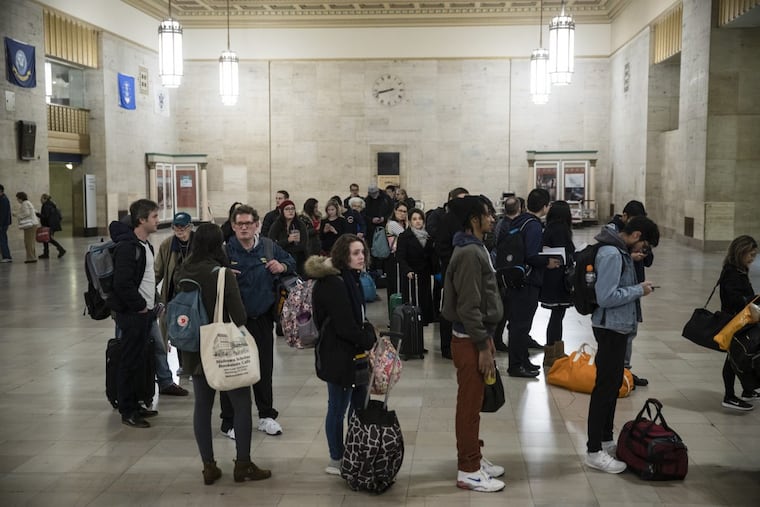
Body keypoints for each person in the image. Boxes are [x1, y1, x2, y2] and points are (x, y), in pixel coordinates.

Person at [175, 223, 272, 484]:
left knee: (202, 407)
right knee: (241, 405)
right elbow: (239, 316)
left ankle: (208, 466)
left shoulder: (183, 270)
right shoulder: (222, 275)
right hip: (221, 349)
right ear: (218, 245)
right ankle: (243, 464)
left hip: (194, 348)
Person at [584, 216, 659, 474]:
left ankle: (605, 440)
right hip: (610, 327)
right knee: (605, 388)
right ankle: (594, 450)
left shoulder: (619, 250)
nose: (643, 252)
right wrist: (639, 290)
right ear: (636, 235)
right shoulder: (612, 254)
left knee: (613, 384)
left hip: (617, 325)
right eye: (645, 246)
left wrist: (632, 262)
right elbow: (606, 297)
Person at [441, 195, 505, 493]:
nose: (492, 218)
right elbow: (468, 307)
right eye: (487, 214)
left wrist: (487, 339)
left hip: (477, 337)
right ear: (473, 220)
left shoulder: (476, 248)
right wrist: (482, 345)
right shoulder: (468, 253)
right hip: (469, 341)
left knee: (474, 403)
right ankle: (469, 469)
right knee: (469, 406)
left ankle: (475, 457)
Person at [305, 234, 377, 475]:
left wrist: (366, 333)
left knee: (357, 407)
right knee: (337, 408)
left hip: (353, 355)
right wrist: (368, 336)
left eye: (362, 252)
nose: (361, 257)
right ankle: (336, 458)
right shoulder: (334, 283)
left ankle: (354, 452)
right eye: (355, 253)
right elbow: (345, 326)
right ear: (343, 256)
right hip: (337, 356)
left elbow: (357, 318)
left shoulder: (351, 278)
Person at [226, 205, 296, 436]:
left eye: (248, 223)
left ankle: (266, 415)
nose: (244, 227)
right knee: (235, 371)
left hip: (263, 318)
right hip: (234, 322)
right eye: (239, 224)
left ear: (256, 225)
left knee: (264, 368)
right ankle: (230, 421)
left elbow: (292, 263)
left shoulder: (268, 246)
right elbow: (204, 271)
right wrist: (221, 272)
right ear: (234, 226)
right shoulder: (226, 250)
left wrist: (282, 265)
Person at [107, 199, 163, 428]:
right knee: (129, 361)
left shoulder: (144, 245)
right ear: (142, 220)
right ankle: (127, 410)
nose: (158, 220)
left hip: (144, 313)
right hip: (133, 315)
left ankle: (136, 403)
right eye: (154, 217)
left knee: (139, 360)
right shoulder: (129, 247)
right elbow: (122, 283)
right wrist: (139, 305)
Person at [506, 188, 560, 378]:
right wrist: (548, 261)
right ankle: (516, 365)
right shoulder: (534, 225)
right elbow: (531, 256)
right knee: (521, 325)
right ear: (545, 207)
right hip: (527, 281)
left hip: (515, 278)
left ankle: (523, 361)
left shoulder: (519, 220)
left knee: (518, 324)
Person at [609, 200, 653, 387]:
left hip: (635, 286)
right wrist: (630, 255)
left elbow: (649, 260)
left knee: (631, 330)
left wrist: (642, 253)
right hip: (621, 289)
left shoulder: (639, 233)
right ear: (624, 216)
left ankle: (625, 372)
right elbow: (607, 294)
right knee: (621, 335)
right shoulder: (612, 234)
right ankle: (619, 374)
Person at [719, 235, 759, 411]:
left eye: (754, 255)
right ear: (740, 252)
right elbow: (734, 299)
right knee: (733, 359)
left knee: (741, 356)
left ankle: (747, 390)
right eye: (750, 254)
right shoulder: (732, 273)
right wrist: (752, 299)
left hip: (741, 320)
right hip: (734, 322)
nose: (752, 258)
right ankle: (729, 396)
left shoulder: (739, 270)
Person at [155, 211, 195, 376]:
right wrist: (151, 293)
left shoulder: (199, 243)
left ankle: (194, 365)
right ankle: (183, 365)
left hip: (193, 297)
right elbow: (158, 271)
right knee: (178, 330)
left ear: (190, 227)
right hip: (174, 296)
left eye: (183, 227)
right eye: (176, 227)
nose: (179, 230)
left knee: (193, 330)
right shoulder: (167, 245)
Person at [432, 187, 469, 359]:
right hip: (451, 269)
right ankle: (446, 346)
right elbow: (441, 246)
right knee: (449, 307)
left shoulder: (465, 219)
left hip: (463, 270)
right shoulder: (447, 220)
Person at [538, 201, 574, 367]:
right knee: (557, 315)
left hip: (551, 277)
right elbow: (566, 252)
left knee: (556, 315)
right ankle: (553, 353)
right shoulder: (561, 229)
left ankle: (554, 351)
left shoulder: (549, 227)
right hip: (559, 278)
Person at [396, 208, 436, 324]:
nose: (417, 221)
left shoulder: (428, 236)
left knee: (424, 298)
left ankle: (423, 319)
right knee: (411, 300)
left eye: (420, 219)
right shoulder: (404, 236)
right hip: (411, 274)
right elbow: (400, 256)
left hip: (424, 274)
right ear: (410, 221)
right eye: (414, 219)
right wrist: (407, 270)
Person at [492, 196, 521, 352]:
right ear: (519, 208)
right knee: (505, 305)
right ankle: (497, 338)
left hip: (498, 266)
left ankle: (498, 337)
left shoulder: (499, 223)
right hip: (505, 269)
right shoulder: (511, 226)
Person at [268, 199, 309, 276]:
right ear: (282, 211)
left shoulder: (300, 224)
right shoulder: (276, 225)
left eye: (292, 209)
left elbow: (303, 244)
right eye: (287, 209)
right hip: (281, 259)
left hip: (299, 259)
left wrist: (286, 248)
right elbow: (271, 243)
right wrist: (287, 240)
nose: (290, 211)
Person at [363, 183, 393, 267]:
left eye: (375, 193)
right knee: (372, 248)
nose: (374, 195)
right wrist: (371, 219)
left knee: (384, 247)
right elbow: (364, 214)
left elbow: (391, 210)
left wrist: (384, 218)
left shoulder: (386, 198)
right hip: (371, 229)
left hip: (384, 227)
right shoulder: (367, 200)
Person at [385, 201, 409, 296]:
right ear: (395, 211)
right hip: (394, 258)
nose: (402, 214)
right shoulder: (392, 224)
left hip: (401, 256)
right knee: (395, 286)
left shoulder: (402, 224)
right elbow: (407, 235)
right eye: (400, 211)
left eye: (405, 212)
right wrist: (408, 222)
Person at [36, 193, 65, 259]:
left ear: (45, 199)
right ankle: (46, 253)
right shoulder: (50, 204)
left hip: (49, 225)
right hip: (51, 224)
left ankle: (61, 249)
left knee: (48, 238)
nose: (40, 200)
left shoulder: (46, 205)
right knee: (45, 239)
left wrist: (37, 214)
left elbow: (45, 216)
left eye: (41, 199)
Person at [14, 192, 39, 263]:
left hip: (30, 225)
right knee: (31, 242)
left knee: (28, 242)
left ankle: (31, 258)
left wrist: (18, 215)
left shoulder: (24, 203)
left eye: (17, 198)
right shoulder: (28, 202)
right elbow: (33, 211)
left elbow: (27, 213)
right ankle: (32, 257)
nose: (17, 200)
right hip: (33, 224)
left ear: (20, 198)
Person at [0, 185, 13, 262]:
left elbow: (3, 214)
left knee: (2, 240)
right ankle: (5, 256)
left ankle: (6, 257)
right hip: (3, 223)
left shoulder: (3, 200)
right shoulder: (2, 199)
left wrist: (0, 225)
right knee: (3, 239)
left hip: (3, 224)